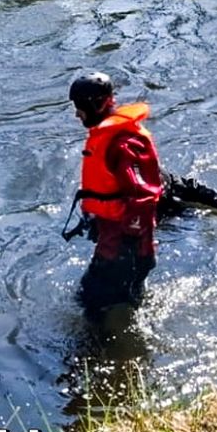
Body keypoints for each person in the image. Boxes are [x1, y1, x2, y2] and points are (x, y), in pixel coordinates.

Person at [65, 71, 163, 321]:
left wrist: (129, 240)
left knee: (90, 304)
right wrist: (96, 221)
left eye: (79, 107)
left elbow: (143, 197)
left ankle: (98, 345)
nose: (77, 114)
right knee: (116, 305)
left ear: (96, 104)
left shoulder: (123, 144)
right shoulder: (109, 138)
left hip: (124, 249)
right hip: (117, 242)